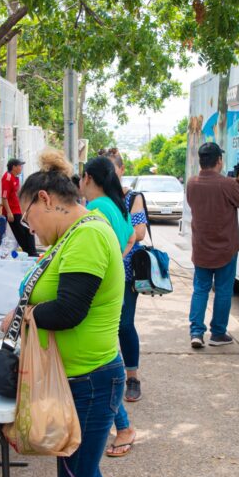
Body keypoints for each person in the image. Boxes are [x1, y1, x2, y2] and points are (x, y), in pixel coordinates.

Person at [5, 150, 127, 477]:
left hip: (92, 380)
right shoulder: (73, 234)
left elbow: (69, 310)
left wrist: (21, 314)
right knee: (81, 475)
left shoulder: (90, 235)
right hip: (75, 378)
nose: (28, 225)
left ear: (44, 199)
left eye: (28, 215)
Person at [80, 155, 137, 458]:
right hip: (112, 290)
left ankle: (124, 426)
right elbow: (130, 240)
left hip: (96, 293)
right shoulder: (117, 206)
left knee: (103, 359)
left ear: (88, 178)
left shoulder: (95, 208)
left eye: (81, 177)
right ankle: (121, 426)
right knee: (105, 355)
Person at [185, 141, 239, 348]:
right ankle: (218, 334)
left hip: (202, 247)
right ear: (219, 160)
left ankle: (196, 332)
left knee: (200, 289)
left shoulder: (192, 183)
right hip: (226, 248)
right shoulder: (227, 184)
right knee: (223, 291)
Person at [107, 148, 148, 406]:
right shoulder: (95, 199)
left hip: (126, 271)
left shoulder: (133, 198)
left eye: (113, 169)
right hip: (100, 268)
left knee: (124, 324)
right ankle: (109, 377)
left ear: (121, 170)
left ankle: (132, 377)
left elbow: (140, 232)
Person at [0, 157, 38, 256]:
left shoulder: (16, 178)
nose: (21, 168)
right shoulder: (7, 178)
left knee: (28, 230)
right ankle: (29, 252)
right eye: (20, 166)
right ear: (14, 167)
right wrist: (9, 212)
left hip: (19, 210)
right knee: (20, 234)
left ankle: (32, 252)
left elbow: (17, 194)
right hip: (12, 212)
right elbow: (4, 197)